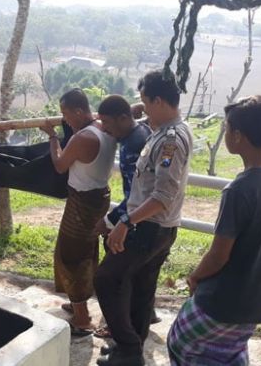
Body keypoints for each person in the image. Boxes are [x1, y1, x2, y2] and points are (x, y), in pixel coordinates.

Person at [167, 95, 261, 366]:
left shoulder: (240, 189)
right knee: (228, 352)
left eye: (226, 128)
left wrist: (195, 277)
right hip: (259, 297)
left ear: (238, 136)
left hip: (226, 299)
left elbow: (218, 255)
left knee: (181, 342)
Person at [95, 70, 193, 366]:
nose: (144, 109)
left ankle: (128, 346)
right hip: (158, 228)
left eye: (146, 103)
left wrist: (125, 222)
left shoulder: (170, 141)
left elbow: (162, 195)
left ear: (159, 101)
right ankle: (130, 350)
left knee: (106, 278)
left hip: (149, 227)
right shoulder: (163, 130)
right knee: (140, 286)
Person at [40, 88, 117, 336]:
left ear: (78, 111)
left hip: (81, 203)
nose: (65, 119)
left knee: (71, 255)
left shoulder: (83, 138)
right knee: (87, 251)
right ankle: (78, 303)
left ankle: (82, 318)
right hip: (99, 196)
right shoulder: (104, 128)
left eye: (65, 114)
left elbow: (61, 165)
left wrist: (53, 138)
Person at [92, 95, 156, 339]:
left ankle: (123, 334)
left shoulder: (131, 146)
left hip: (139, 220)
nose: (105, 129)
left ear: (123, 117)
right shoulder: (141, 131)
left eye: (107, 123)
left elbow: (134, 196)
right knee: (143, 277)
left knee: (111, 277)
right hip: (154, 219)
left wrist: (109, 221)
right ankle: (144, 319)